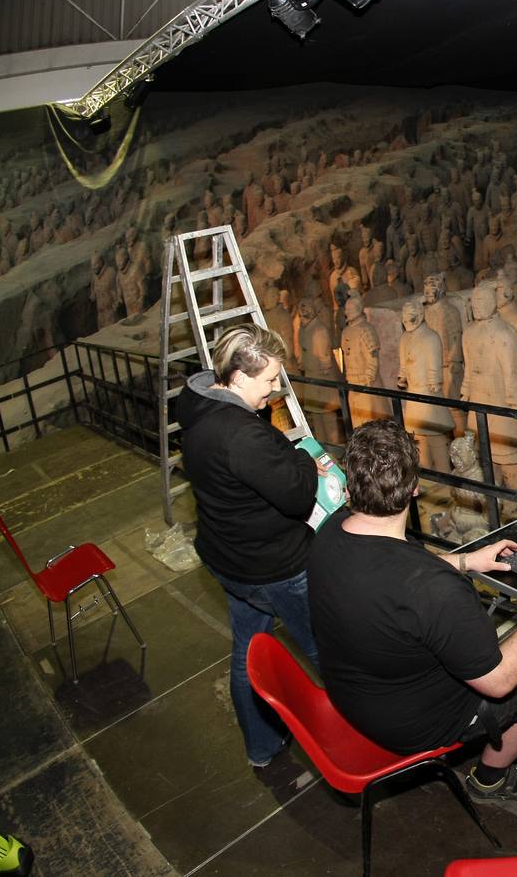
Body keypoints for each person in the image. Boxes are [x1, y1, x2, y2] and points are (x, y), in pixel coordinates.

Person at [308, 419, 517, 802]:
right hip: (414, 724)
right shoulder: (434, 590)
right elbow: (499, 681)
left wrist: (467, 561)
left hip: (353, 695)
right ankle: (490, 779)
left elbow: (396, 567)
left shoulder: (331, 532)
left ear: (352, 483)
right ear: (415, 488)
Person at [178, 324, 321, 767]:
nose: (276, 390)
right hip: (274, 567)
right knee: (331, 649)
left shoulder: (198, 402)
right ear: (238, 378)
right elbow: (297, 495)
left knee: (247, 651)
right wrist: (303, 457)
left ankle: (261, 747)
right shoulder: (240, 434)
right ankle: (368, 732)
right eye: (270, 381)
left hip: (230, 557)